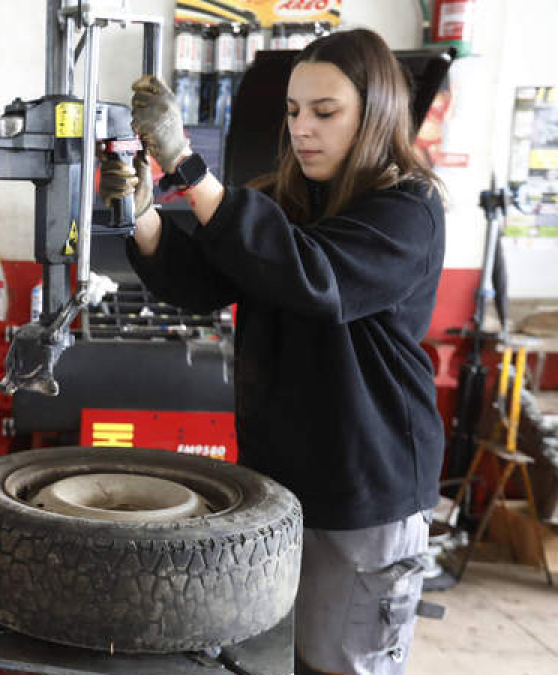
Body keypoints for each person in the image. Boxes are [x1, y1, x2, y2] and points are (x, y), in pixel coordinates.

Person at [99, 28, 446, 675]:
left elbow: (312, 275)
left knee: (339, 664)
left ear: (376, 115)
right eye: (293, 112)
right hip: (277, 485)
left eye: (325, 112)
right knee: (265, 657)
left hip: (364, 488)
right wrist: (140, 207)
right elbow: (199, 278)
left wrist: (187, 165)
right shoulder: (282, 197)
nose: (302, 129)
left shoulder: (409, 210)